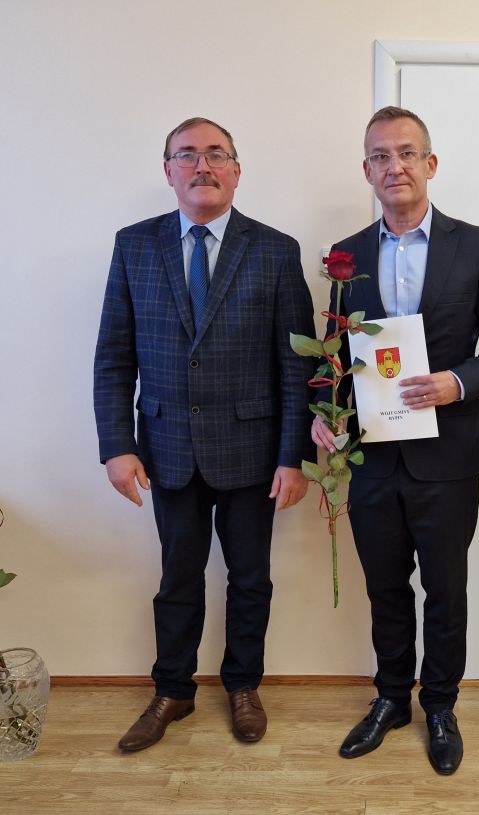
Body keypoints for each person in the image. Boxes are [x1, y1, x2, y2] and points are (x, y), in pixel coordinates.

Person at [312, 106, 479, 775]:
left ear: (430, 164)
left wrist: (456, 383)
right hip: (372, 456)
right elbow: (335, 357)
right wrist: (326, 413)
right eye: (380, 155)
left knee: (445, 589)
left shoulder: (476, 246)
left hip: (448, 457)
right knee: (385, 587)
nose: (394, 166)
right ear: (367, 170)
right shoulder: (346, 255)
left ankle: (439, 705)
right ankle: (390, 698)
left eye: (406, 153)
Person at [94, 117, 315, 751]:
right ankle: (173, 690)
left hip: (252, 452)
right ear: (168, 171)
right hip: (166, 450)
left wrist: (293, 457)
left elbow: (294, 364)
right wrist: (117, 446)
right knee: (177, 581)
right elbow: (114, 355)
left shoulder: (275, 250)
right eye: (187, 155)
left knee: (250, 580)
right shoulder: (134, 245)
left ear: (237, 171)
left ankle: (243, 686)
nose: (202, 165)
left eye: (216, 154)